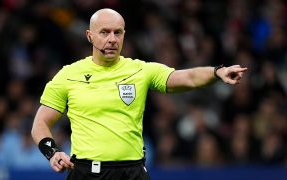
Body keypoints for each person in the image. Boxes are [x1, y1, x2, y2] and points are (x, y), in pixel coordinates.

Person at [31, 8, 247, 180]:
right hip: (87, 173)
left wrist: (217, 71)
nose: (112, 39)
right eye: (104, 32)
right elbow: (40, 123)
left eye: (118, 32)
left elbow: (188, 78)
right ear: (90, 35)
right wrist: (53, 152)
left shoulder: (141, 70)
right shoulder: (69, 75)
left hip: (132, 172)